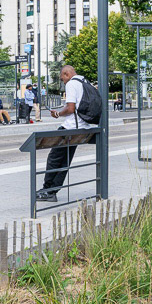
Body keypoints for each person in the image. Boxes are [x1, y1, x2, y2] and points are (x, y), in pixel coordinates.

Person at [37, 65, 95, 203]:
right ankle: (52, 191)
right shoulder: (85, 82)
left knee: (54, 158)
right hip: (82, 128)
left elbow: (70, 108)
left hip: (70, 127)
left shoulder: (72, 84)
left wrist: (58, 114)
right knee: (64, 161)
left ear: (67, 74)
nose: (63, 81)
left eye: (62, 78)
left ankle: (47, 190)